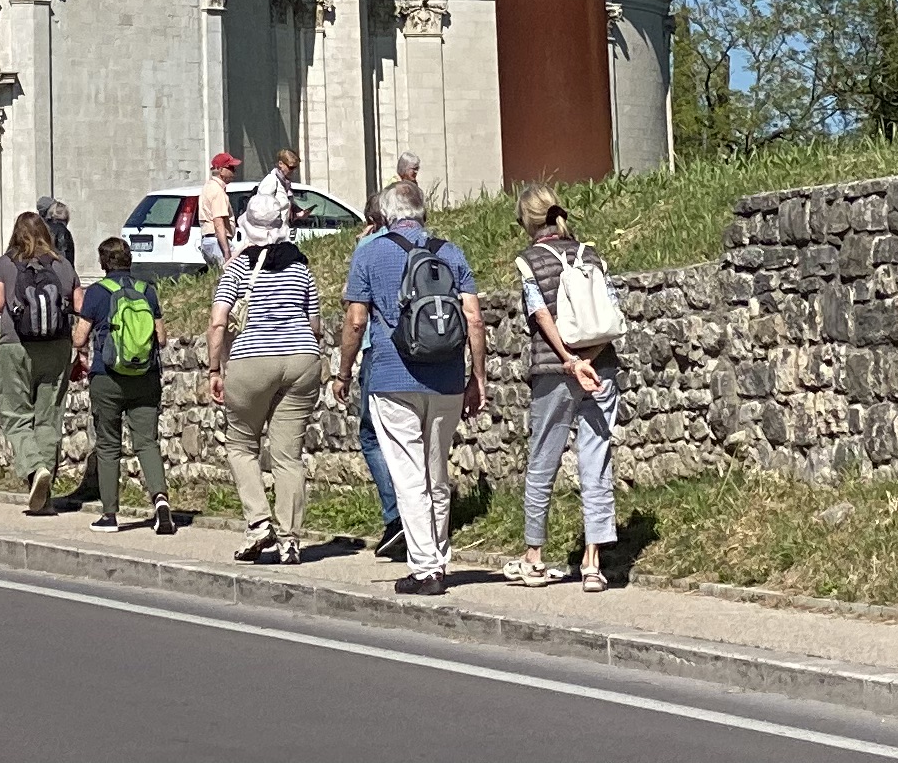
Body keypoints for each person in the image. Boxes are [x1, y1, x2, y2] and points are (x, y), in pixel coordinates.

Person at [335, 179, 484, 594]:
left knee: (408, 473)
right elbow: (473, 318)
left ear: (385, 215)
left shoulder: (369, 254)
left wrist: (343, 373)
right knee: (437, 472)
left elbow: (356, 321)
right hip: (448, 378)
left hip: (391, 377)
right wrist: (479, 378)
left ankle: (425, 568)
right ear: (423, 214)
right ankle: (438, 556)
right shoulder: (450, 252)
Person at [506, 186, 621, 589]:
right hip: (601, 366)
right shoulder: (592, 254)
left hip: (554, 370)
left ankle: (534, 557)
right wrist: (589, 358)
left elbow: (540, 315)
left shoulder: (529, 261)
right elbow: (612, 315)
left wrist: (570, 361)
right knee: (596, 458)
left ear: (527, 222)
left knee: (543, 458)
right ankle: (593, 563)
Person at [203, 229, 325, 562]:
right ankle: (290, 540)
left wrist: (215, 370)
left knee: (241, 446)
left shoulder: (238, 268)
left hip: (251, 361)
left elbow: (218, 322)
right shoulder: (301, 267)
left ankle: (259, 523)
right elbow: (315, 325)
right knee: (288, 456)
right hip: (302, 359)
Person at [0, 212, 79, 510]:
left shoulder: (7, 263)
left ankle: (34, 469)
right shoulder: (62, 265)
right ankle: (44, 496)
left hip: (15, 347)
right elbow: (79, 304)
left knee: (16, 417)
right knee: (49, 418)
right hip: (57, 347)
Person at [75, 236, 177, 533]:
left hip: (107, 379)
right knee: (147, 442)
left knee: (108, 445)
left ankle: (109, 514)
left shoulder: (96, 293)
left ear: (103, 262)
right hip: (145, 377)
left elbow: (80, 338)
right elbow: (160, 338)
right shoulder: (148, 291)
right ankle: (160, 501)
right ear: (129, 260)